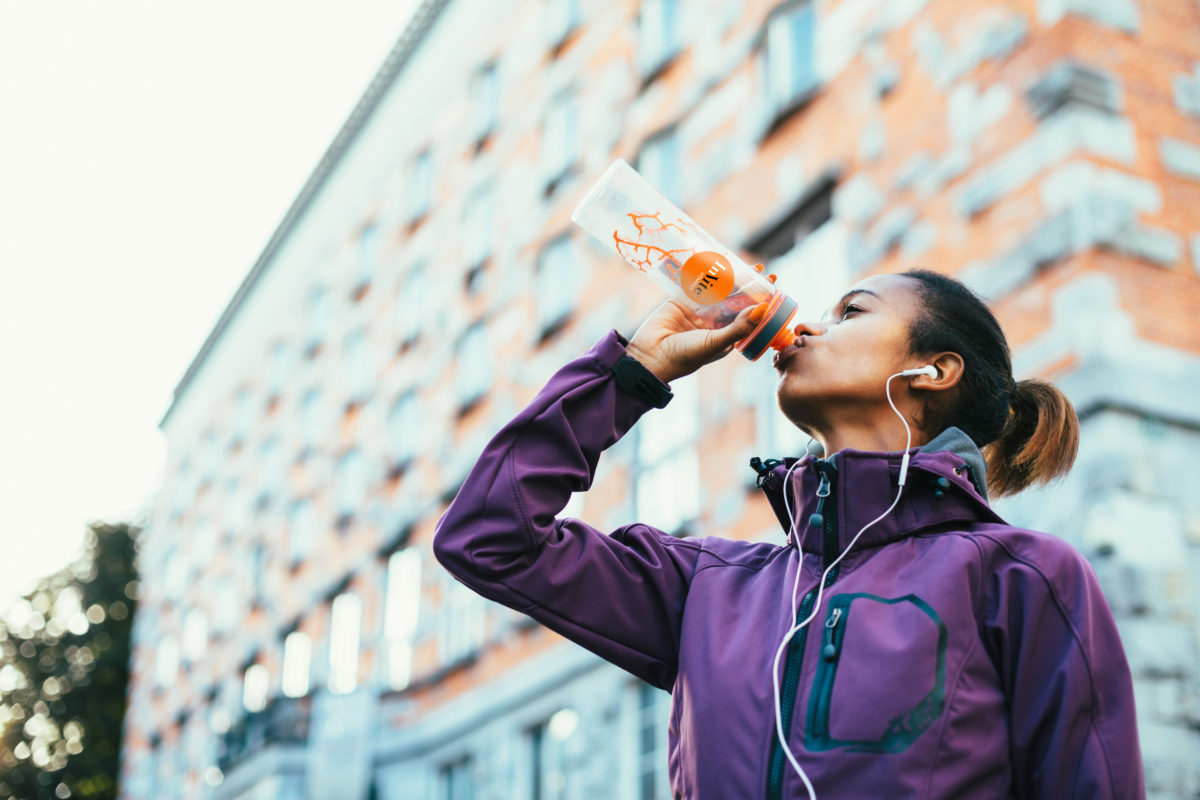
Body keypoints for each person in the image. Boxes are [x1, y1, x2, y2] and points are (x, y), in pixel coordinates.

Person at [433, 269, 1144, 799]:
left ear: (931, 370)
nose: (804, 329)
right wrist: (631, 374)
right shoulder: (705, 588)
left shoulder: (1021, 576)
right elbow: (489, 538)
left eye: (849, 313)